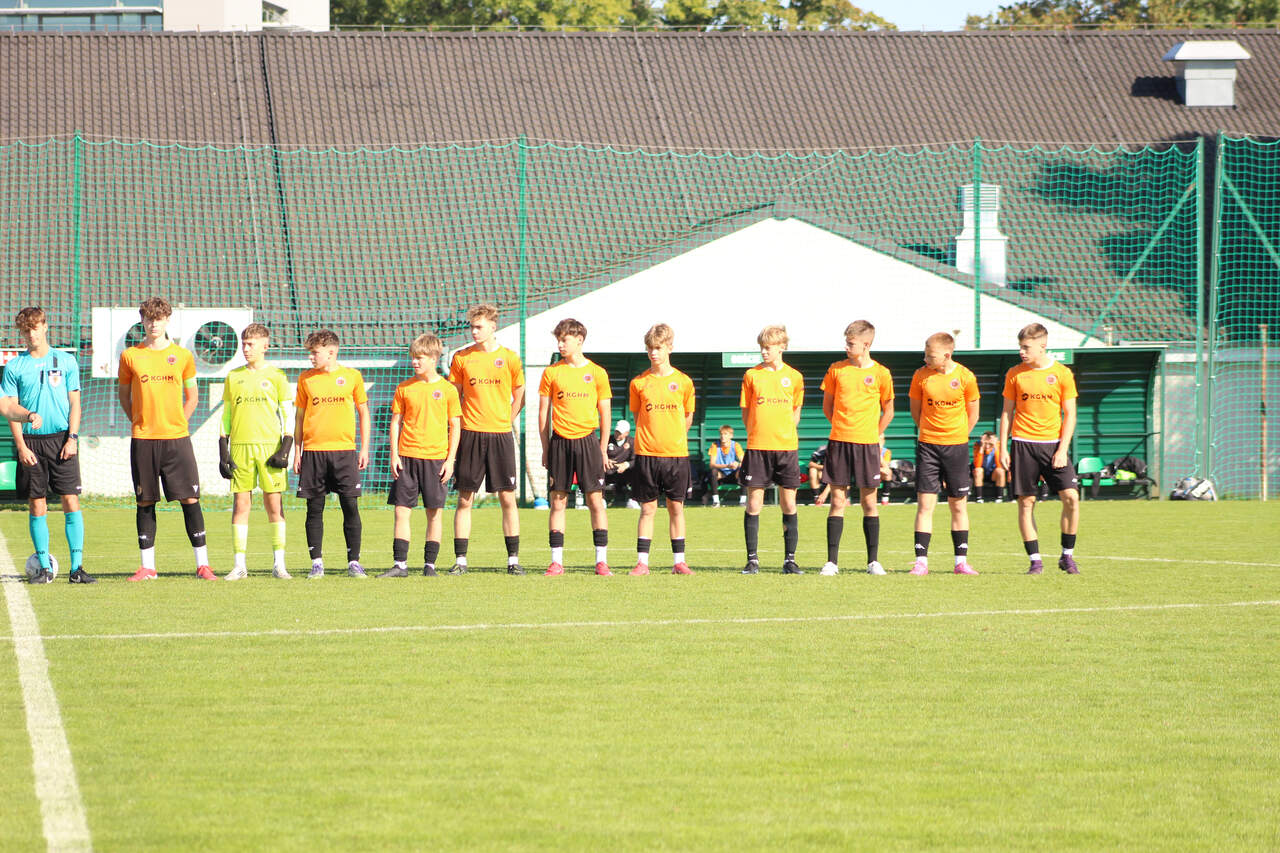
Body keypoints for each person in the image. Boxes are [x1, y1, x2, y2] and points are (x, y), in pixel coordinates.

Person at [117, 297, 213, 581]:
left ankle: (203, 565)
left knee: (190, 498)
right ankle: (147, 567)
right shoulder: (130, 356)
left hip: (176, 439)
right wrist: (138, 421)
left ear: (168, 320)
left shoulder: (183, 356)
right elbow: (124, 396)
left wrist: (179, 422)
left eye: (158, 318)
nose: (153, 324)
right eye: (148, 318)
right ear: (142, 321)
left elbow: (192, 397)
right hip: (143, 439)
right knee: (145, 501)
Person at [2, 307, 93, 584]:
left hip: (62, 440)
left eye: (35, 328)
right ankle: (44, 568)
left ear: (45, 326)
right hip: (31, 443)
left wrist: (73, 438)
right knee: (37, 504)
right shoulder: (15, 367)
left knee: (70, 500)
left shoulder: (65, 361)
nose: (31, 334)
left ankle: (77, 569)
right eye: (26, 330)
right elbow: (9, 408)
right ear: (21, 333)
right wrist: (21, 446)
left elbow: (75, 402)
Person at [448, 303, 526, 575]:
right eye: (472, 327)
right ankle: (460, 561)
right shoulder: (461, 358)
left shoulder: (510, 358)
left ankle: (513, 560)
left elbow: (519, 394)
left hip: (500, 436)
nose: (474, 331)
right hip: (470, 434)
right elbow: (453, 398)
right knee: (464, 499)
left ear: (493, 327)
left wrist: (506, 420)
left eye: (479, 327)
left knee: (507, 498)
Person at [998, 323, 1082, 575]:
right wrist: (1003, 448)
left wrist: (1062, 449)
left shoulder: (1062, 373)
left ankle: (1067, 556)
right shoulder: (1015, 373)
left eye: (1026, 347)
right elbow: (1006, 412)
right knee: (1026, 502)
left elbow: (1070, 414)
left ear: (1042, 346)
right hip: (1022, 444)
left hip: (1053, 445)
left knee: (1071, 498)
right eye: (1020, 347)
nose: (1021, 352)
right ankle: (1035, 561)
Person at [381, 333, 460, 578]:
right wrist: (394, 455)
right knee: (401, 510)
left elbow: (455, 426)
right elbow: (395, 423)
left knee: (434, 513)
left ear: (434, 358)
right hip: (407, 457)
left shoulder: (447, 389)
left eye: (420, 358)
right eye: (413, 357)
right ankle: (400, 565)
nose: (415, 362)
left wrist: (450, 460)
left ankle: (430, 566)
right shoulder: (404, 388)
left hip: (436, 459)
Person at [292, 329, 371, 578]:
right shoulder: (306, 379)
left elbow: (364, 413)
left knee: (350, 506)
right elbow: (299, 417)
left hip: (345, 452)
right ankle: (317, 563)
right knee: (314, 508)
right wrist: (297, 451)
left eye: (314, 352)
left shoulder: (352, 376)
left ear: (331, 352)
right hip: (313, 452)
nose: (311, 357)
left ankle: (354, 562)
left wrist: (364, 448)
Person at [819, 320, 894, 576]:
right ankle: (831, 562)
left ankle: (873, 562)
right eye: (846, 342)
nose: (846, 347)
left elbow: (889, 410)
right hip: (839, 442)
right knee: (837, 501)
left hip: (867, 446)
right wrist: (843, 428)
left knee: (869, 502)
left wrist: (873, 434)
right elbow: (827, 406)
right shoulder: (836, 369)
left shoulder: (882, 373)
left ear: (866, 344)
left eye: (851, 343)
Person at [538, 318, 613, 576]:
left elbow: (605, 413)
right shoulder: (551, 372)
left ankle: (601, 561)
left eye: (564, 340)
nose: (560, 344)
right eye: (558, 339)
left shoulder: (597, 373)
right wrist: (546, 448)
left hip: (588, 442)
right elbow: (543, 413)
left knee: (595, 501)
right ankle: (556, 561)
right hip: (560, 443)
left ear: (579, 340)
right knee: (558, 501)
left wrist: (602, 448)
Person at [219, 323, 292, 580]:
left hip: (269, 448)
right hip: (241, 448)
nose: (246, 349)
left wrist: (285, 448)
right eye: (244, 344)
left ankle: (279, 564)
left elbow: (287, 414)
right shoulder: (233, 376)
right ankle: (239, 565)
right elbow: (226, 416)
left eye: (251, 344)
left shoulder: (277, 376)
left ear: (265, 346)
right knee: (241, 504)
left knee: (274, 504)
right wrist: (223, 450)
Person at [907, 332, 981, 576]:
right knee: (925, 505)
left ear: (947, 355)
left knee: (958, 505)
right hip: (928, 446)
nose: (925, 359)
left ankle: (961, 562)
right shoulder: (920, 376)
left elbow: (973, 413)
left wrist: (957, 435)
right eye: (925, 354)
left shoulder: (966, 377)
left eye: (931, 356)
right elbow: (916, 411)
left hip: (956, 447)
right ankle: (921, 562)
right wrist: (930, 432)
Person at [628, 323, 695, 575]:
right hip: (647, 454)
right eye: (650, 348)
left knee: (676, 508)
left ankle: (679, 562)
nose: (653, 353)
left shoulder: (684, 382)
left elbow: (687, 418)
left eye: (658, 348)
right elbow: (638, 418)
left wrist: (673, 437)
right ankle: (642, 563)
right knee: (647, 509)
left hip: (676, 455)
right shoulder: (639, 383)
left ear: (670, 348)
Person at [739, 325, 805, 575]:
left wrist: (783, 432)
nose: (764, 352)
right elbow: (746, 412)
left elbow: (796, 412)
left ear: (782, 347)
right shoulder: (751, 375)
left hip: (786, 448)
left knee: (788, 503)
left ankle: (790, 560)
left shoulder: (795, 377)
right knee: (754, 503)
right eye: (762, 348)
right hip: (758, 448)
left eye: (768, 347)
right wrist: (758, 433)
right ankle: (752, 560)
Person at [605, 419, 636, 508]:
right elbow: (598, 454)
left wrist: (626, 465)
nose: (617, 434)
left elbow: (636, 460)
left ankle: (632, 500)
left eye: (620, 433)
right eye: (616, 431)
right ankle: (601, 499)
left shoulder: (632, 442)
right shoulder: (607, 440)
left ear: (627, 433)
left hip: (625, 472)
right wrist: (606, 460)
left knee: (638, 471)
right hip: (608, 470)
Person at [972, 432, 1006, 502]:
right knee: (978, 470)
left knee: (1000, 470)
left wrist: (995, 447)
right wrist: (982, 447)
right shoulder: (977, 445)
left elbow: (999, 465)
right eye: (986, 443)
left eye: (990, 444)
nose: (987, 446)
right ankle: (979, 498)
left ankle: (999, 497)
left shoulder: (999, 445)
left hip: (993, 474)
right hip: (982, 474)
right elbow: (977, 465)